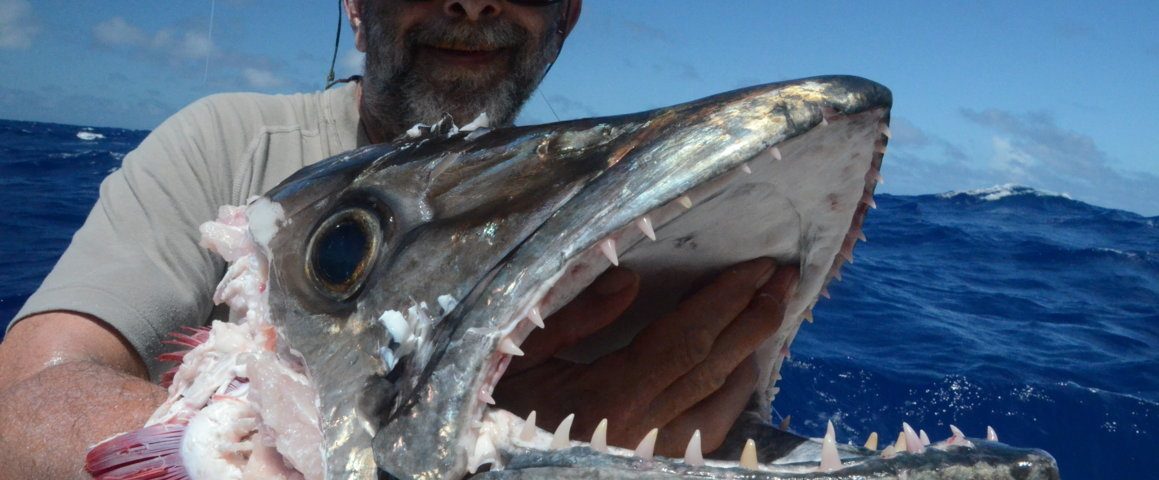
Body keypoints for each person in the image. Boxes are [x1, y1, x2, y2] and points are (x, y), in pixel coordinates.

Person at [0, 1, 797, 477]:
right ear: (353, 0)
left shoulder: (634, 221)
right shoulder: (223, 142)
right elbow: (28, 397)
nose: (474, 1)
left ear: (568, 14)